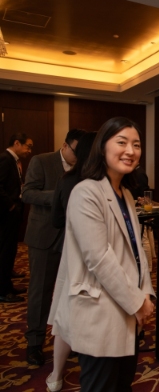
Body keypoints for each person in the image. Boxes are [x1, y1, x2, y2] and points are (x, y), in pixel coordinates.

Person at [49, 117, 155, 392]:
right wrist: (137, 303)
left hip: (126, 307)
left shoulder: (125, 193)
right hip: (101, 309)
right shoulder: (86, 192)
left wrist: (146, 292)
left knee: (122, 383)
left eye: (136, 145)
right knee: (101, 385)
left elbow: (136, 250)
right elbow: (98, 259)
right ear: (102, 147)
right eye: (121, 142)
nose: (130, 151)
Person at [22, 128, 86, 365]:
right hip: (44, 236)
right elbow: (28, 193)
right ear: (65, 146)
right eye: (76, 151)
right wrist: (60, 195)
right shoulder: (41, 161)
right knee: (40, 291)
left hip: (74, 237)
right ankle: (34, 342)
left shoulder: (84, 168)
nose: (79, 157)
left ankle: (69, 339)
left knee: (72, 290)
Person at [45, 131, 96, 391]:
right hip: (99, 253)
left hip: (72, 250)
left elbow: (56, 220)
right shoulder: (101, 181)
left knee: (66, 311)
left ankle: (56, 375)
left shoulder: (68, 180)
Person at [0, 133, 33, 303]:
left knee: (10, 250)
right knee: (4, 251)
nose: (29, 150)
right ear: (17, 143)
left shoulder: (13, 161)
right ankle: (3, 290)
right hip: (6, 213)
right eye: (28, 146)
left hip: (13, 212)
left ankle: (8, 285)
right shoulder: (5, 159)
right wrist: (11, 205)